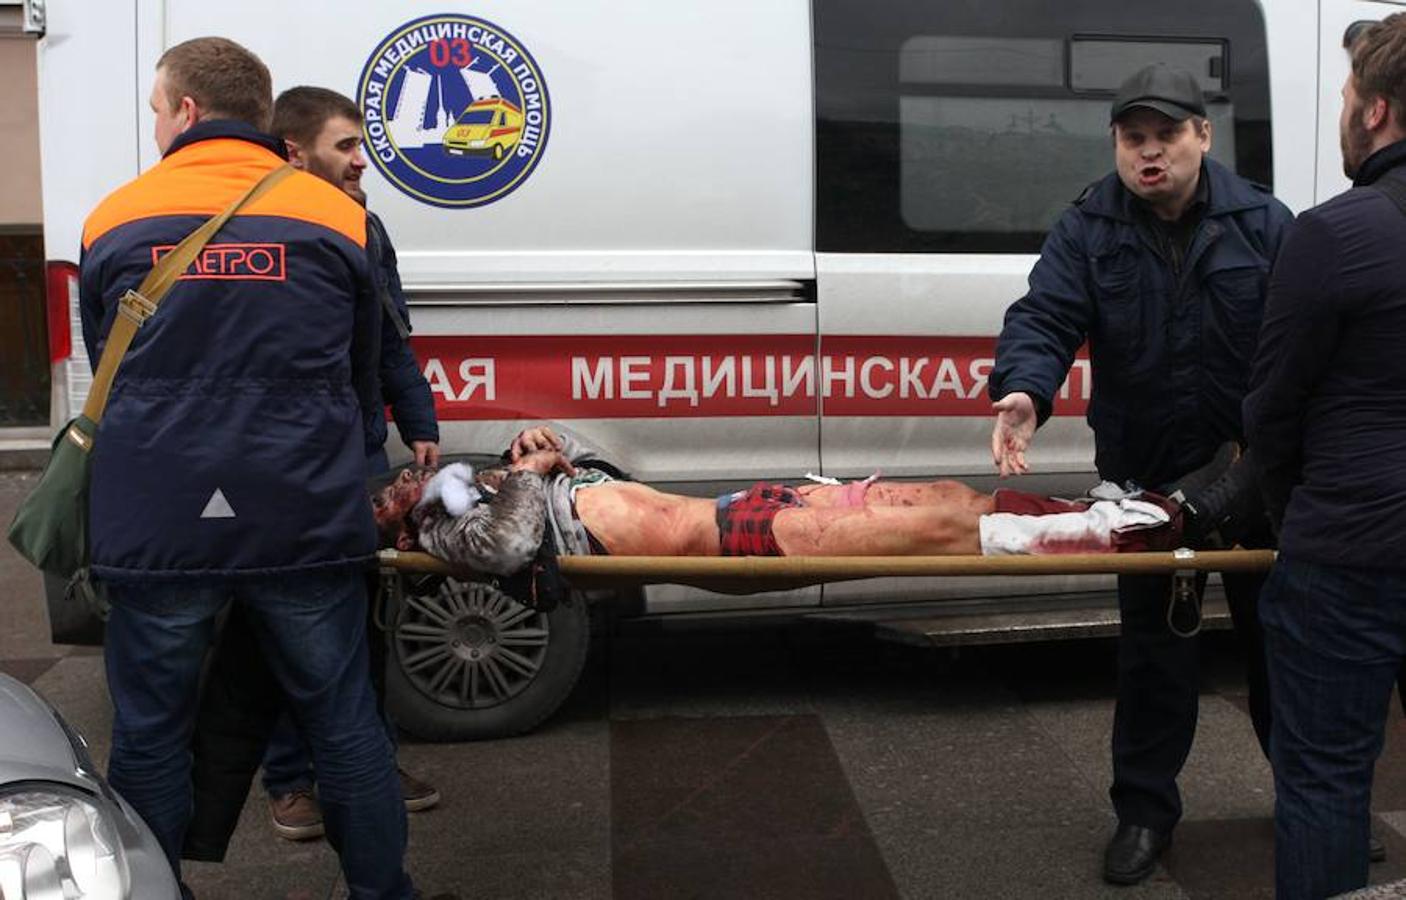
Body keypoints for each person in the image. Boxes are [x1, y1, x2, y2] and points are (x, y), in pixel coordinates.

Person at [79, 38, 412, 897]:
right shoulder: (338, 217)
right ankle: (382, 892)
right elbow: (361, 368)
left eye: (157, 108)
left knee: (151, 734)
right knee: (344, 723)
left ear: (185, 111)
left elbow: (104, 371)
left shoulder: (111, 218)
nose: (156, 122)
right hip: (300, 508)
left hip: (158, 517)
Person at [986, 64, 1294, 884]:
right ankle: (1145, 816)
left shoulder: (1266, 224)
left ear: (1203, 135)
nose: (1148, 154)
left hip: (1256, 477)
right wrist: (1025, 389)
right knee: (1155, 660)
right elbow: (1045, 313)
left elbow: (1307, 345)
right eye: (1134, 139)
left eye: (1166, 136)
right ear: (1117, 146)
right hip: (1147, 486)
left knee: (1285, 653)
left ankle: (1312, 804)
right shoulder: (1090, 225)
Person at [1244, 13, 1406, 898]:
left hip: (1350, 554)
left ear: (1376, 111)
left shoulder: (1336, 233)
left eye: (1346, 97)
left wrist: (1295, 510)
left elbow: (1272, 409)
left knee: (1326, 782)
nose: (1342, 113)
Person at [258, 85, 441, 843]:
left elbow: (391, 336)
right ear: (295, 151)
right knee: (286, 621)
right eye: (345, 147)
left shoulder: (365, 226)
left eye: (361, 147)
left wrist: (417, 419)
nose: (361, 162)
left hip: (358, 450)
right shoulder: (260, 227)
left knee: (365, 618)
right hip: (280, 461)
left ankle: (367, 764)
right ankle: (290, 781)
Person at [370, 426, 1221, 572]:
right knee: (943, 533)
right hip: (728, 537)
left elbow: (599, 475)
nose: (399, 482)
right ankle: (1124, 529)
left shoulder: (475, 487)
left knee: (948, 495)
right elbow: (513, 550)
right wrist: (527, 474)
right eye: (387, 494)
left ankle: (1107, 503)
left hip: (746, 502)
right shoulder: (448, 531)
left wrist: (553, 451)